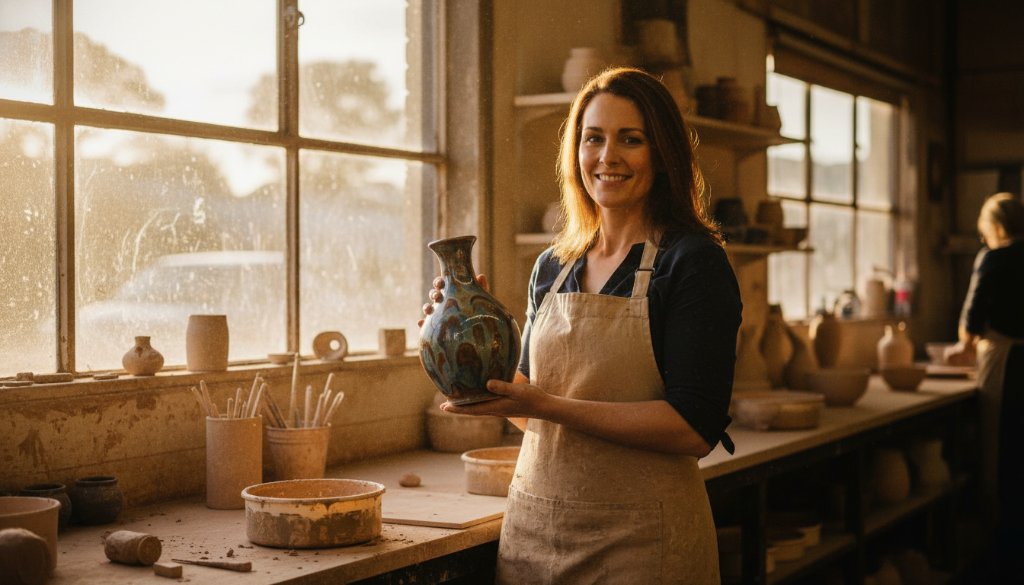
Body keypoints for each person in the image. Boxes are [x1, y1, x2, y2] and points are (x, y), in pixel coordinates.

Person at [424, 68, 741, 583]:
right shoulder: (553, 265)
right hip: (534, 536)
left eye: (630, 140)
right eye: (593, 138)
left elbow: (693, 429)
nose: (607, 157)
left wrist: (544, 405)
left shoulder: (691, 262)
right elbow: (526, 408)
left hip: (643, 546)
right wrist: (466, 339)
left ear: (662, 154)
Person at [945, 191, 1024, 580]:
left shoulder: (994, 257)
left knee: (1001, 456)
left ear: (994, 227)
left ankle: (1002, 558)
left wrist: (962, 346)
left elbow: (972, 323)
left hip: (1008, 363)